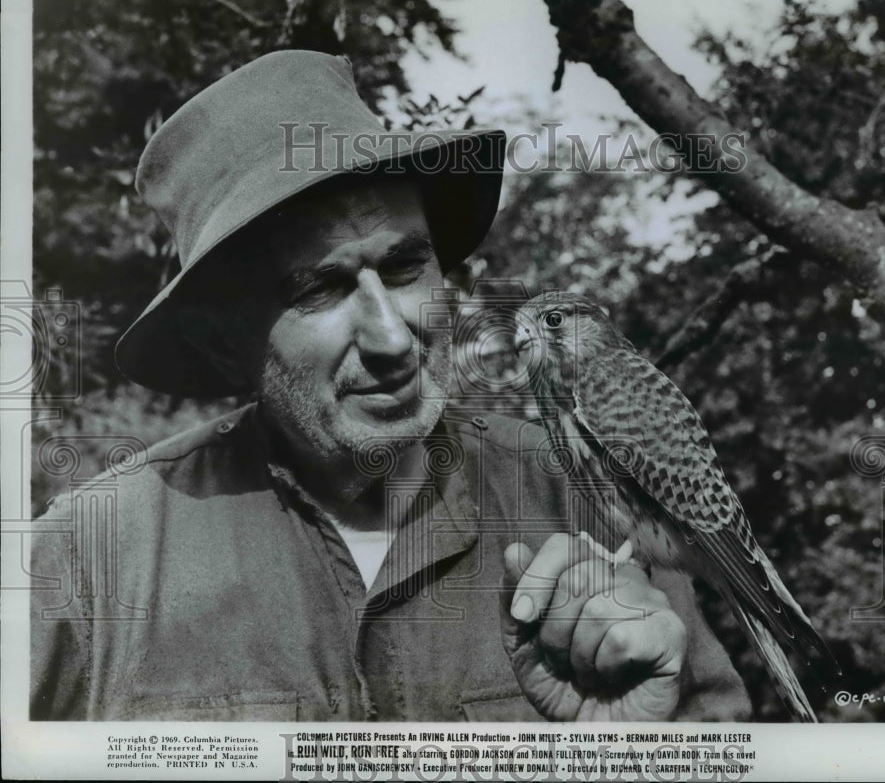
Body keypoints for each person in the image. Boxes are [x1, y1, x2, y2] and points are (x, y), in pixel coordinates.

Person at [30, 50, 751, 722]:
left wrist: (643, 751)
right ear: (225, 341)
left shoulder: (586, 498)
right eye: (321, 287)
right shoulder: (85, 559)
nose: (394, 336)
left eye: (406, 267)